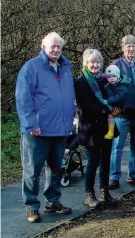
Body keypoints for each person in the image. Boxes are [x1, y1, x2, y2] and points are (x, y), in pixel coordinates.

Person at [16, 32, 76, 223]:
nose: (56, 49)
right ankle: (32, 206)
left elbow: (68, 97)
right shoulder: (31, 68)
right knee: (32, 170)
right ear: (43, 46)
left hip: (60, 129)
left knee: (56, 169)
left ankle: (53, 202)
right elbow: (23, 99)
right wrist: (31, 124)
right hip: (37, 131)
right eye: (52, 46)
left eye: (59, 46)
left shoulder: (66, 67)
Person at [75, 49, 123, 208]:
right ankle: (89, 194)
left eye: (98, 62)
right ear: (85, 64)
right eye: (92, 62)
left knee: (106, 160)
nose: (95, 65)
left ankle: (104, 192)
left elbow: (116, 98)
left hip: (106, 127)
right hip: (90, 128)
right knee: (93, 161)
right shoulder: (80, 82)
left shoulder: (105, 80)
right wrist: (106, 109)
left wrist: (115, 109)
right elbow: (85, 106)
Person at [109, 35, 135, 189]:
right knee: (117, 146)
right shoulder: (115, 65)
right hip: (121, 114)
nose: (131, 48)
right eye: (128, 46)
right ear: (122, 48)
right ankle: (114, 177)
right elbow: (109, 89)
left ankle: (133, 174)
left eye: (134, 45)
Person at [103, 65, 130, 139]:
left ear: (118, 76)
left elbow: (120, 97)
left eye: (113, 76)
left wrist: (108, 100)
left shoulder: (122, 85)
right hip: (113, 105)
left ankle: (111, 132)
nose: (111, 79)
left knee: (109, 114)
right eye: (109, 77)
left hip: (120, 108)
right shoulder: (108, 86)